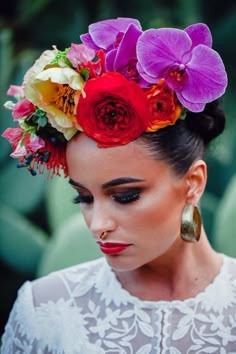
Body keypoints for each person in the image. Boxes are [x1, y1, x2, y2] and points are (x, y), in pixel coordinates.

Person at [1, 17, 235, 354]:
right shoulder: (44, 311)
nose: (97, 225)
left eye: (125, 196)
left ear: (193, 184)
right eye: (82, 198)